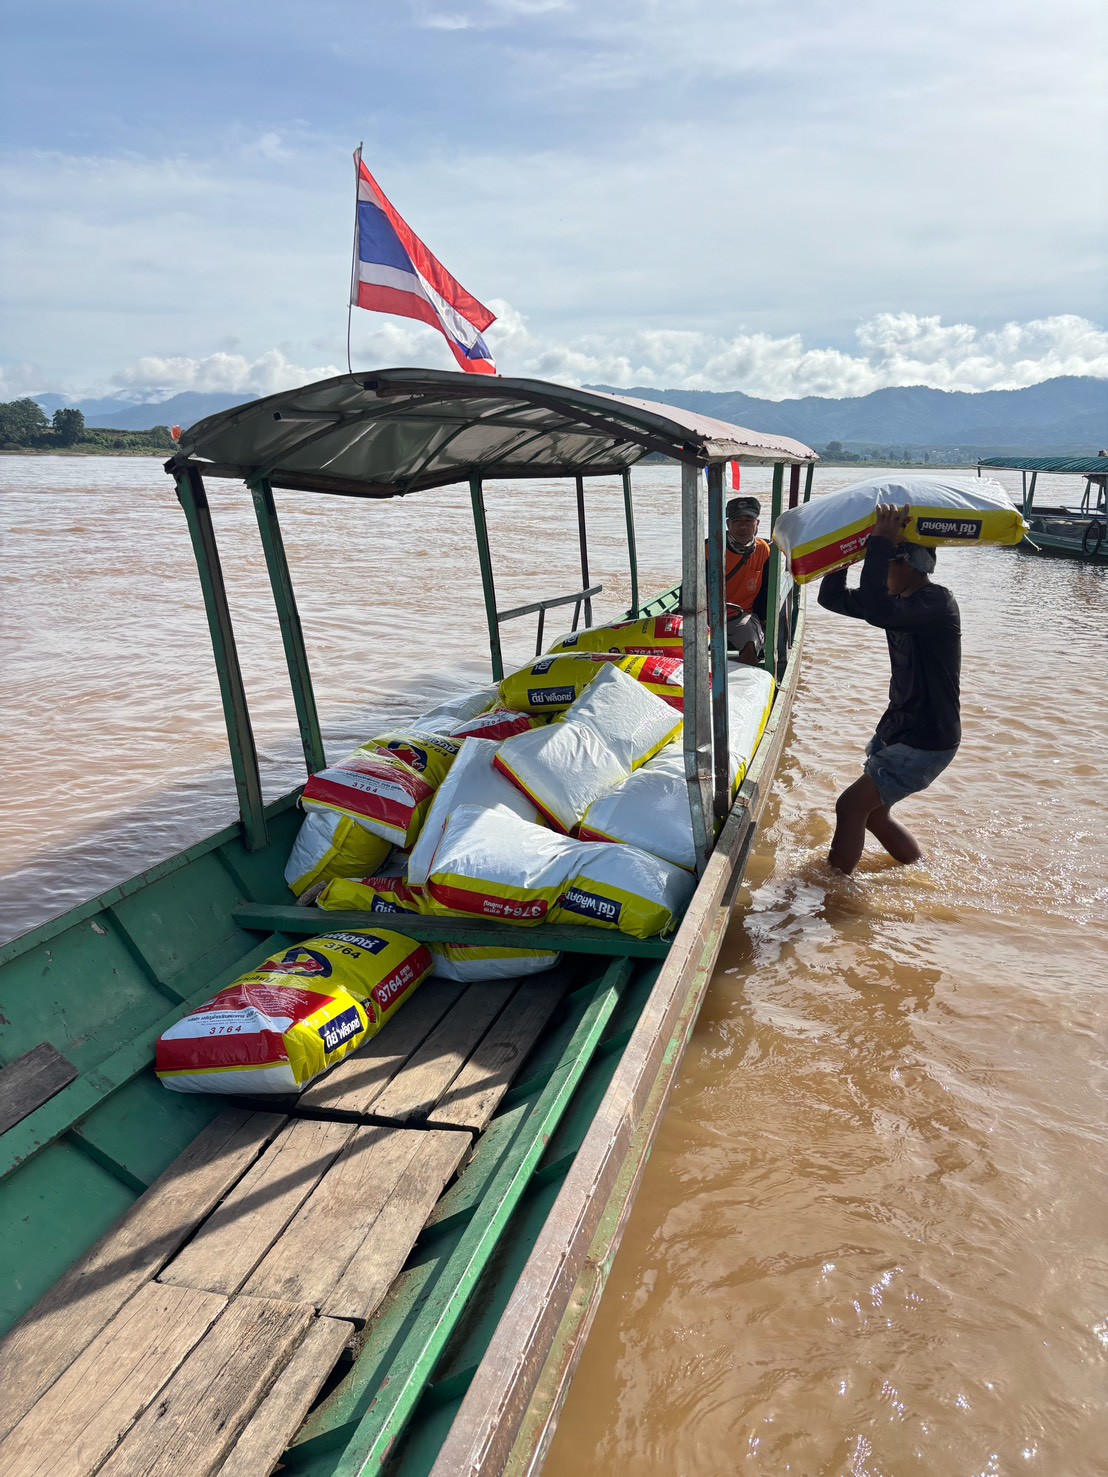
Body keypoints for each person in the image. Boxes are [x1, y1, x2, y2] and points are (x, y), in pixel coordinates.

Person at [817, 503, 961, 875]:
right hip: (900, 728)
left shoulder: (935, 603)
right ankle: (919, 873)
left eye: (886, 564)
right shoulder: (899, 601)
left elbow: (878, 611)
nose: (881, 575)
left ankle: (831, 892)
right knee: (874, 815)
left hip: (927, 737)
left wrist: (879, 542)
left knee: (850, 806)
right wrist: (846, 553)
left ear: (905, 565)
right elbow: (831, 599)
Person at [713, 494, 771, 664]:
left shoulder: (763, 550)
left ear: (757, 524)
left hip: (742, 616)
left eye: (749, 521)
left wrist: (763, 619)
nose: (743, 527)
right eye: (738, 521)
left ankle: (743, 685)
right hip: (707, 615)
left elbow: (766, 588)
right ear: (728, 524)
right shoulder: (710, 548)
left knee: (750, 646)